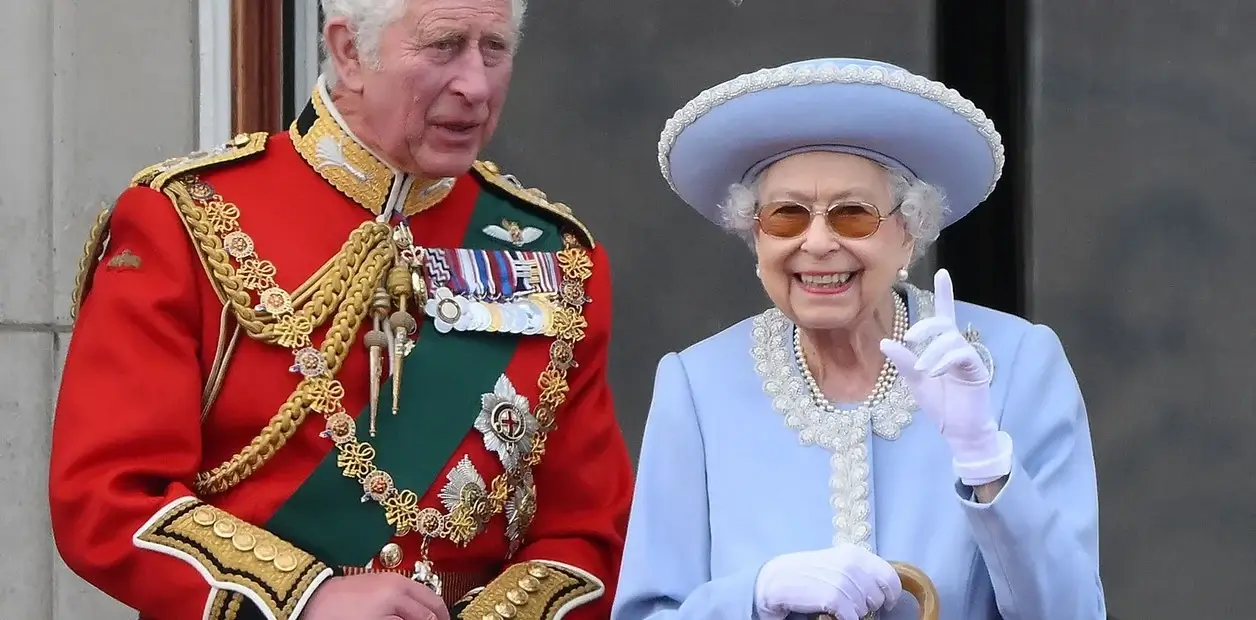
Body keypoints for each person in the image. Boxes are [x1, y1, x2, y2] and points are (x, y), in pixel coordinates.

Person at [49, 1, 634, 619]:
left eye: (495, 49)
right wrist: (303, 599)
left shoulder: (557, 256)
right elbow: (107, 495)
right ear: (349, 51)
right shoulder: (188, 220)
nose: (476, 85)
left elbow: (592, 531)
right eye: (443, 45)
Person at [611, 57, 1107, 620]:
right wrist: (753, 596)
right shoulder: (697, 386)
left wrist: (986, 464)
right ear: (757, 238)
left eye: (852, 215)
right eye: (787, 216)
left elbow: (1073, 612)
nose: (818, 243)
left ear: (908, 233)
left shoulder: (1018, 364)